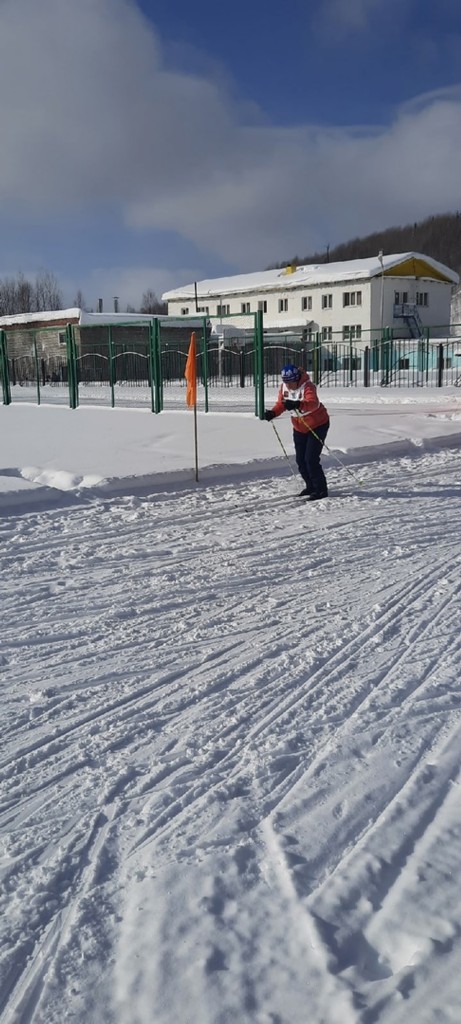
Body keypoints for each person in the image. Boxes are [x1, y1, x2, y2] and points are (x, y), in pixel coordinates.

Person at [264, 364, 330, 500]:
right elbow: (281, 404)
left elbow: (313, 404)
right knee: (300, 460)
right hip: (299, 426)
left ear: (297, 379)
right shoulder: (284, 387)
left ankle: (320, 489)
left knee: (310, 459)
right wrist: (273, 413)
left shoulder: (308, 386)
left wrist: (298, 404)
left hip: (317, 425)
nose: (289, 386)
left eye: (291, 382)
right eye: (286, 382)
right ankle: (310, 486)